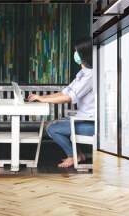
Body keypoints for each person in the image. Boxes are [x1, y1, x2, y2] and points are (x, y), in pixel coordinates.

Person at [28, 40, 94, 168]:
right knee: (50, 125)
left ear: (84, 54)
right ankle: (78, 155)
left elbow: (67, 97)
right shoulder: (82, 74)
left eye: (77, 52)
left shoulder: (90, 76)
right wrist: (40, 97)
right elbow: (63, 92)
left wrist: (42, 100)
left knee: (52, 128)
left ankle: (73, 156)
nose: (75, 54)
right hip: (81, 119)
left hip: (90, 124)